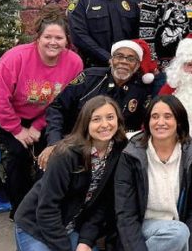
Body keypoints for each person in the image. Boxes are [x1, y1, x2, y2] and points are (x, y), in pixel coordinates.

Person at [13, 95, 128, 251]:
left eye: (110, 117)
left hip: (73, 225)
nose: (105, 124)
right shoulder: (66, 154)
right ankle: (34, 250)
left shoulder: (118, 151)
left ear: (118, 120)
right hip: (37, 225)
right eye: (96, 119)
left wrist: (85, 243)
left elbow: (103, 204)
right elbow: (46, 209)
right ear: (85, 122)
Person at [104, 95, 192, 251]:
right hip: (144, 228)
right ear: (147, 121)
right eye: (155, 116)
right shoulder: (132, 155)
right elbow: (126, 216)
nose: (161, 122)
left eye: (168, 116)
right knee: (179, 232)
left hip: (179, 233)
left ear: (179, 121)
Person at [0, 9, 83, 219]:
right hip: (4, 111)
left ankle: (42, 207)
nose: (53, 42)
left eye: (59, 38)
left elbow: (62, 102)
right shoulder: (15, 58)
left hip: (42, 115)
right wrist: (17, 130)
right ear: (38, 37)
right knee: (19, 155)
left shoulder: (74, 63)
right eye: (48, 37)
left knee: (46, 157)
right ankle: (19, 211)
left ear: (66, 40)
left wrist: (37, 127)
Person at [38, 39, 155, 170]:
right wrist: (54, 142)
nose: (124, 61)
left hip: (113, 156)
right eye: (119, 56)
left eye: (131, 59)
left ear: (137, 65)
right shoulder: (89, 78)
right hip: (74, 145)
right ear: (111, 60)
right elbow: (57, 107)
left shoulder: (141, 90)